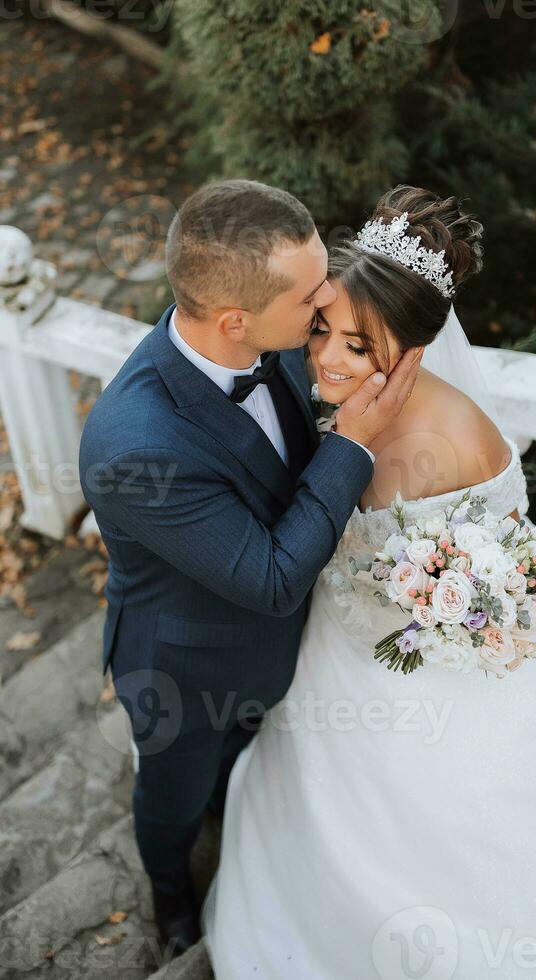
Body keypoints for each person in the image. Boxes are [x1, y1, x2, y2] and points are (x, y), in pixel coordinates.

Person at [202, 185, 536, 980]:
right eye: (321, 331)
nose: (327, 360)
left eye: (357, 345)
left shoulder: (422, 452)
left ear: (411, 354)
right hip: (354, 637)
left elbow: (397, 575)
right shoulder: (361, 398)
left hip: (415, 651)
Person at [78, 179, 424, 957]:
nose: (328, 296)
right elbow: (271, 579)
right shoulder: (134, 449)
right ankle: (170, 893)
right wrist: (353, 444)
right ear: (237, 320)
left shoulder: (262, 343)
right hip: (185, 673)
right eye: (310, 295)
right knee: (173, 799)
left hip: (280, 658)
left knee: (245, 765)